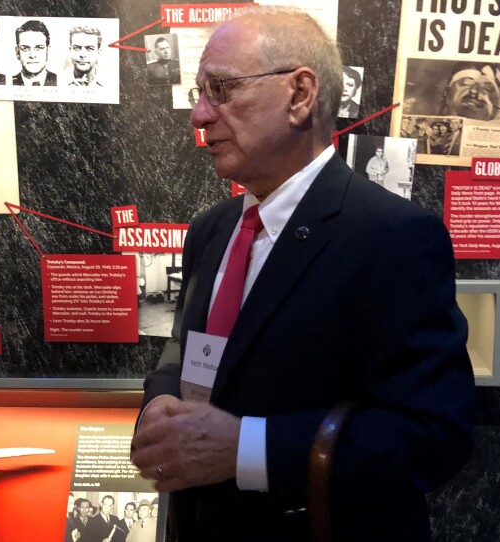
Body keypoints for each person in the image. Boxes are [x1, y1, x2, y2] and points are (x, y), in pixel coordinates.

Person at [130, 7, 474, 542]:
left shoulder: (394, 238)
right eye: (200, 92)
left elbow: (431, 435)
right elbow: (184, 351)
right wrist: (160, 405)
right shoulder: (212, 231)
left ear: (300, 95)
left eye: (220, 88)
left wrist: (245, 449)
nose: (199, 115)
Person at [12, 20, 57, 86]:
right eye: (25, 48)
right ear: (17, 52)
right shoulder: (8, 83)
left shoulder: (62, 82)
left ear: (48, 51)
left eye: (39, 48)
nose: (32, 55)